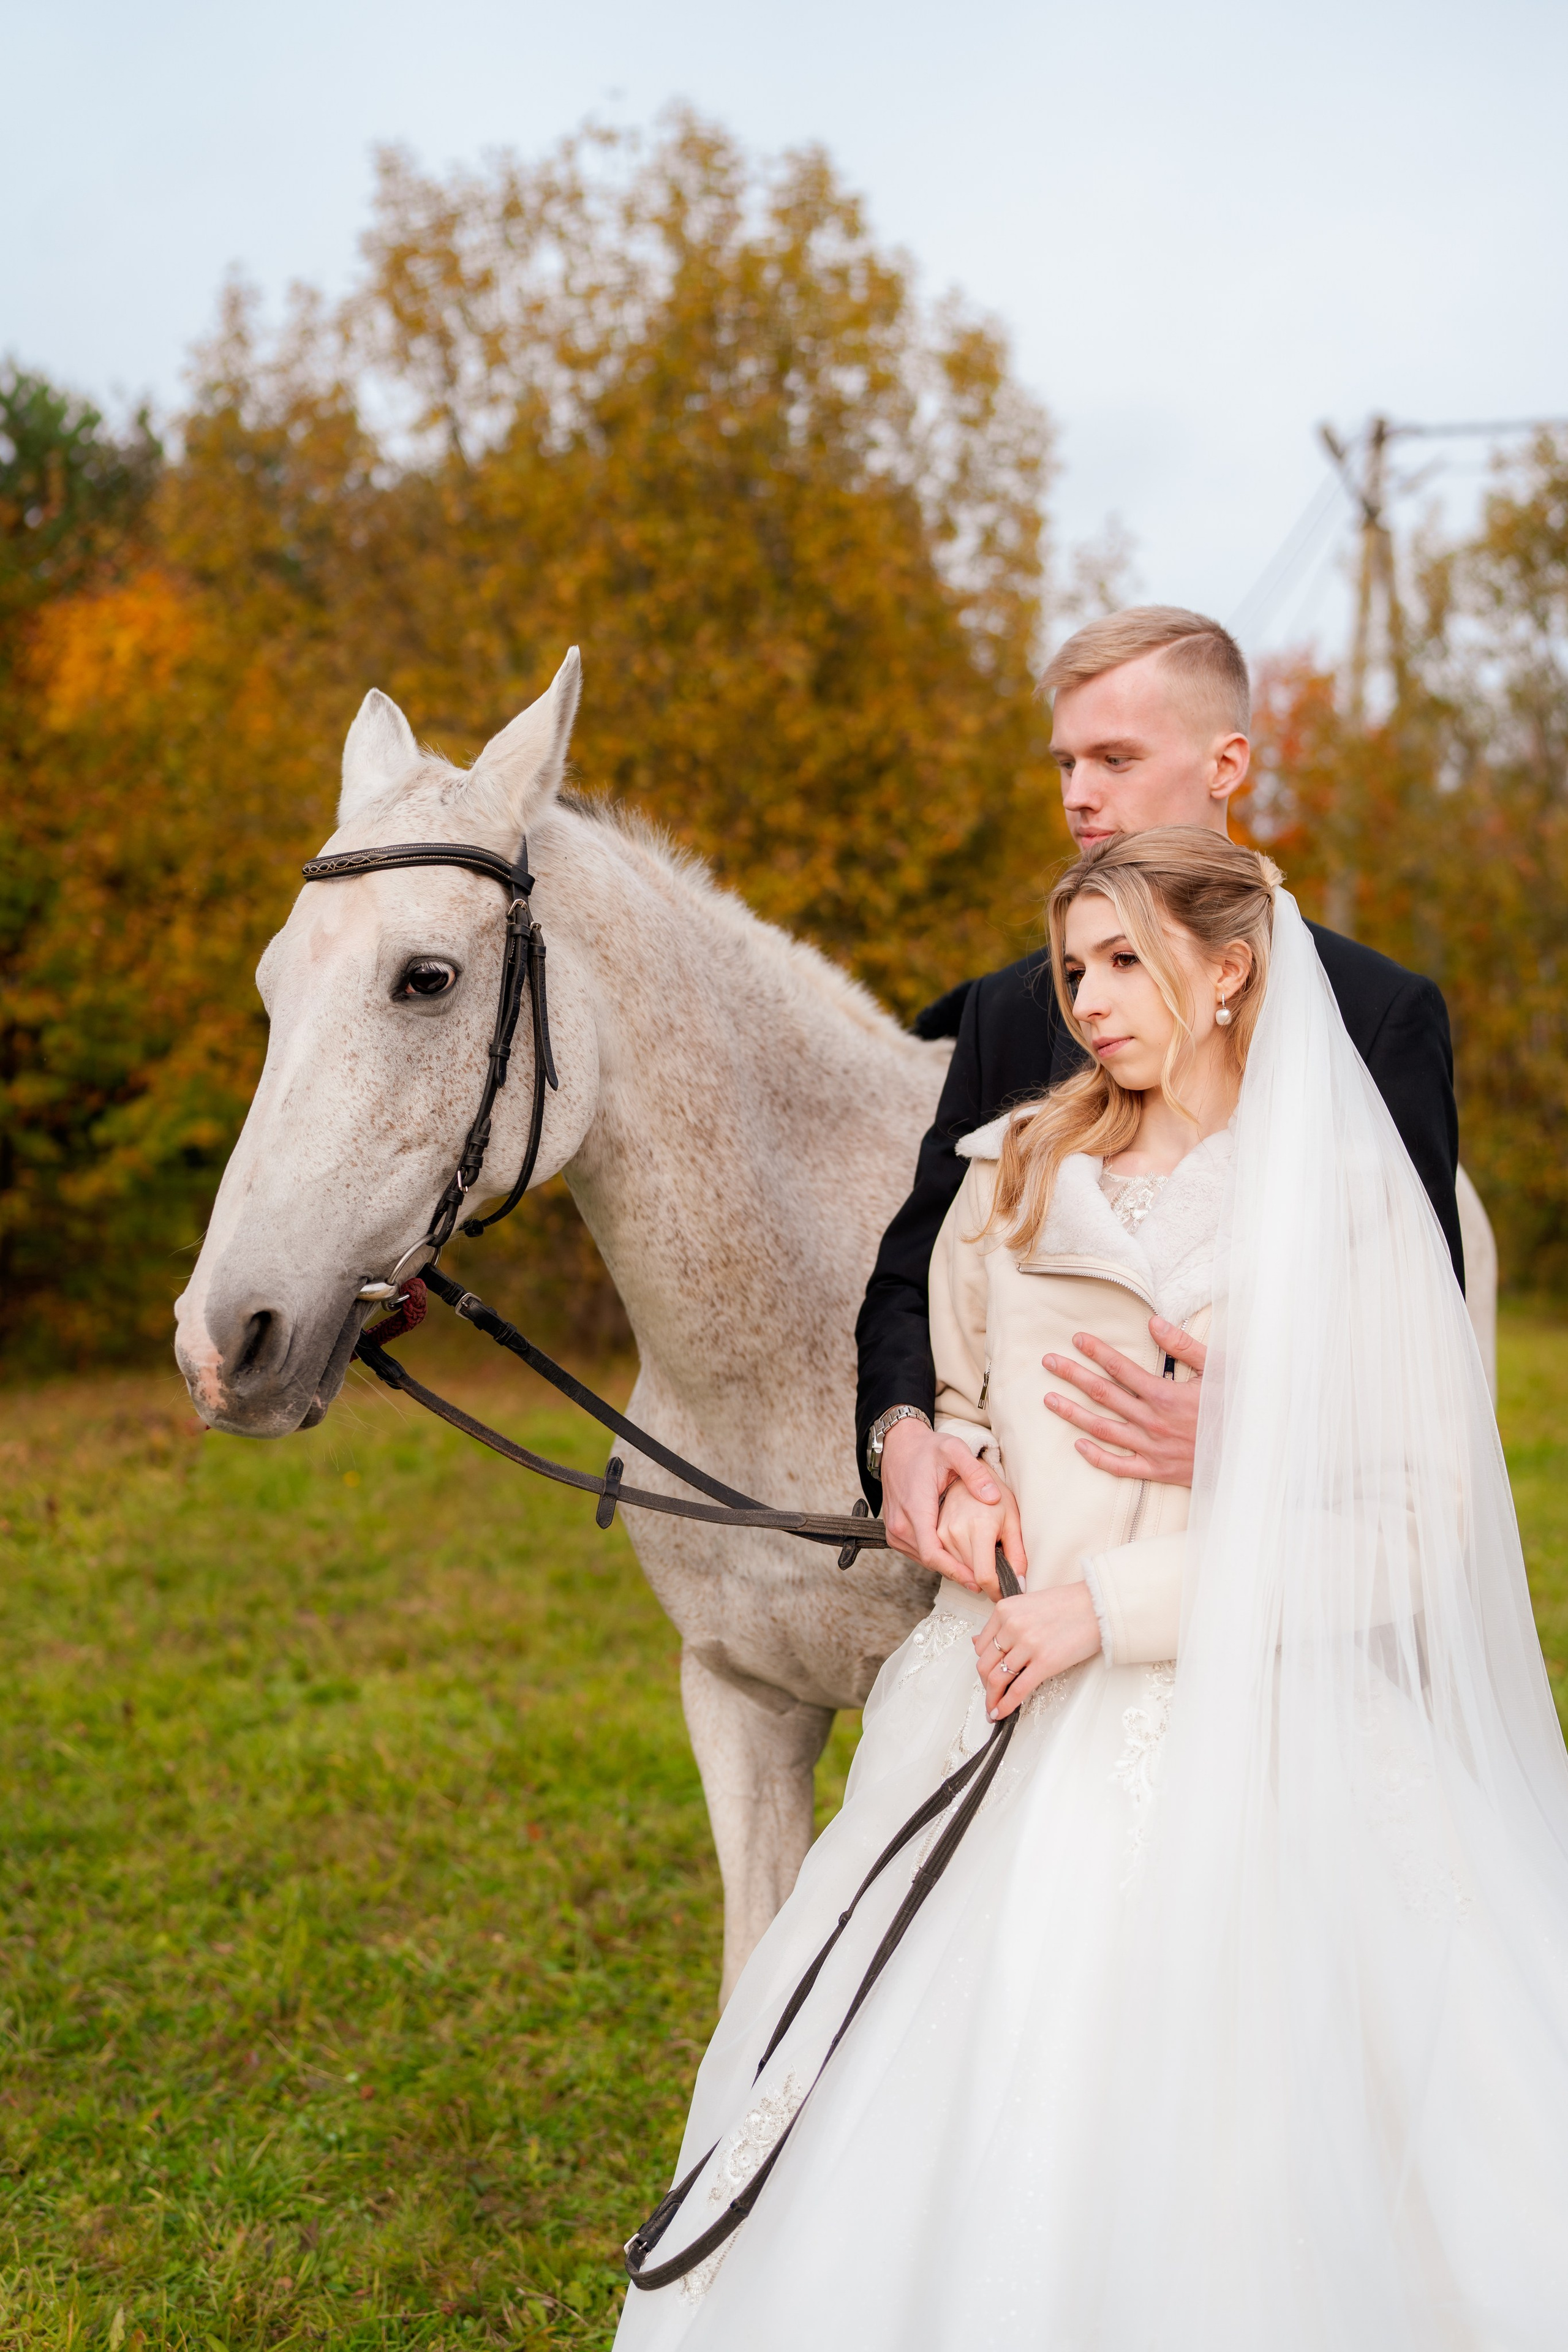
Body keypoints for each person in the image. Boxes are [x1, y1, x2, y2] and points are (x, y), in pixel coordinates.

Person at [615, 831, 1568, 2351]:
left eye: (1126, 960)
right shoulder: (1011, 1173)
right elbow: (965, 1389)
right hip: (990, 1693)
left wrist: (1105, 1610)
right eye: (1074, 969)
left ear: (1229, 970)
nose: (1091, 999)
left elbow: (1409, 1524)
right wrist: (962, 1470)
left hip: (1250, 1732)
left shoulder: (1347, 1202)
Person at [856, 606, 1462, 1589]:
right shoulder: (1007, 1010)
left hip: (1271, 1601)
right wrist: (903, 1435)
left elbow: (1416, 1344)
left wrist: (1257, 1437)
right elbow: (911, 1276)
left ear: (1227, 766)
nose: (1080, 797)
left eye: (1115, 759)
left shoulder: (1379, 1013)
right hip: (1022, 1587)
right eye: (1065, 765)